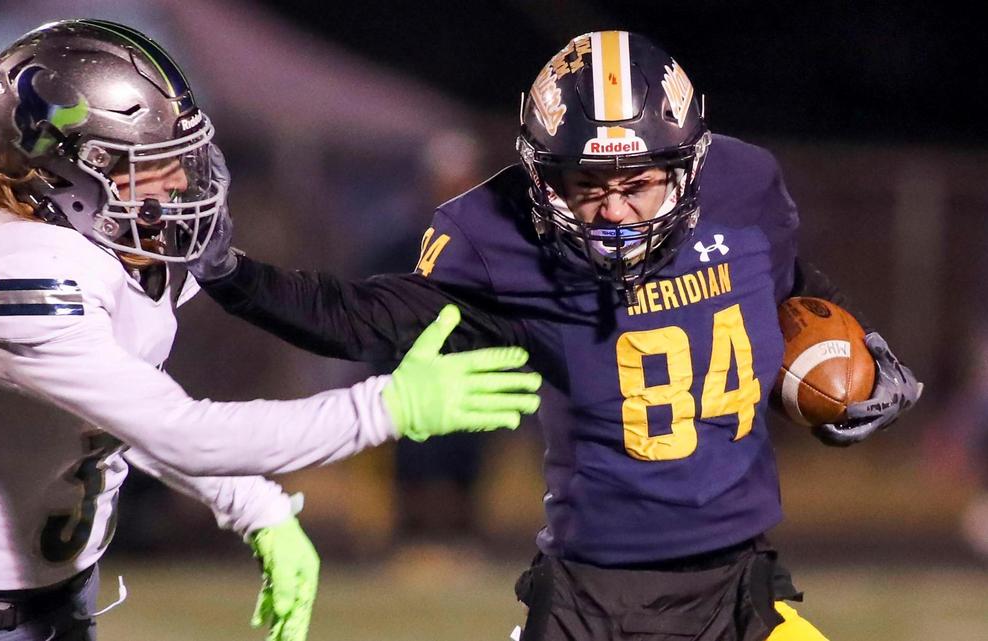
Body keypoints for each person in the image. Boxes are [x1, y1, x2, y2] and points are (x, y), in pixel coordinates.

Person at [189, 31, 923, 641]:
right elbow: (362, 317)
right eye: (586, 187)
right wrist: (233, 274)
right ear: (541, 178)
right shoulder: (499, 239)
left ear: (690, 166)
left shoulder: (745, 187)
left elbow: (791, 283)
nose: (613, 213)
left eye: (636, 184)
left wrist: (854, 353)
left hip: (742, 589)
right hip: (591, 603)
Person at [0, 19, 542, 641]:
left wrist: (253, 501)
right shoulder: (23, 276)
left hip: (56, 596)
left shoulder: (121, 249)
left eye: (179, 156)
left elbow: (121, 414)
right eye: (149, 165)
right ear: (65, 176)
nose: (180, 181)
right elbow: (180, 430)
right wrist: (384, 407)